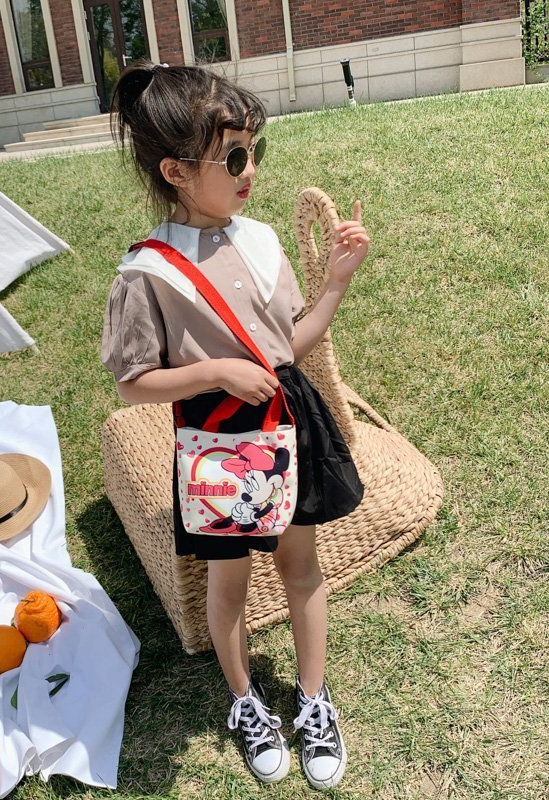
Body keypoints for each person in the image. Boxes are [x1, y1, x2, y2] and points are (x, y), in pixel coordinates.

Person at [100, 60, 368, 790]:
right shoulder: (148, 272)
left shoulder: (262, 239)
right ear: (177, 171)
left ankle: (313, 700)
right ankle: (246, 702)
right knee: (230, 585)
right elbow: (132, 384)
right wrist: (213, 372)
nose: (250, 171)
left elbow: (288, 349)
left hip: (288, 427)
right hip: (220, 449)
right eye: (235, 157)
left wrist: (334, 285)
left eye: (255, 151)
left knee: (301, 569)